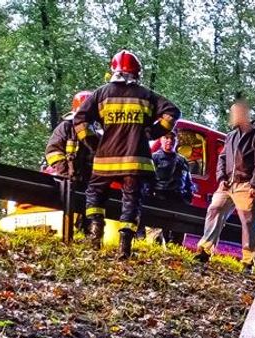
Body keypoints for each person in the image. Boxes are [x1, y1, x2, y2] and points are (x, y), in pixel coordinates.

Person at [73, 50, 180, 259]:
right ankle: (124, 248)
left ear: (113, 71)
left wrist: (94, 143)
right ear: (137, 73)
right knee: (131, 201)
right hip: (135, 160)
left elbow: (80, 120)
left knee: (94, 194)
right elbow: (172, 113)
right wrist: (151, 132)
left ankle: (95, 236)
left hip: (105, 159)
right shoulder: (146, 95)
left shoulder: (101, 94)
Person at [196, 98, 255, 268]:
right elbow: (222, 158)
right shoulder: (231, 136)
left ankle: (248, 261)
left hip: (245, 184)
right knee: (214, 209)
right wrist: (221, 178)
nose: (233, 116)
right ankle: (204, 251)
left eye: (236, 113)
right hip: (228, 184)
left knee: (248, 222)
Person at [44, 90, 96, 182]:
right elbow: (53, 152)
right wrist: (65, 174)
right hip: (59, 177)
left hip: (83, 182)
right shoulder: (66, 127)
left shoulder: (96, 132)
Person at [150, 132, 193, 204]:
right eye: (166, 137)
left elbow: (188, 182)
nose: (170, 140)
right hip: (158, 198)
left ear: (176, 141)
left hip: (178, 199)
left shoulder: (182, 160)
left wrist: (189, 197)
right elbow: (147, 180)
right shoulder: (154, 158)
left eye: (173, 138)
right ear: (161, 139)